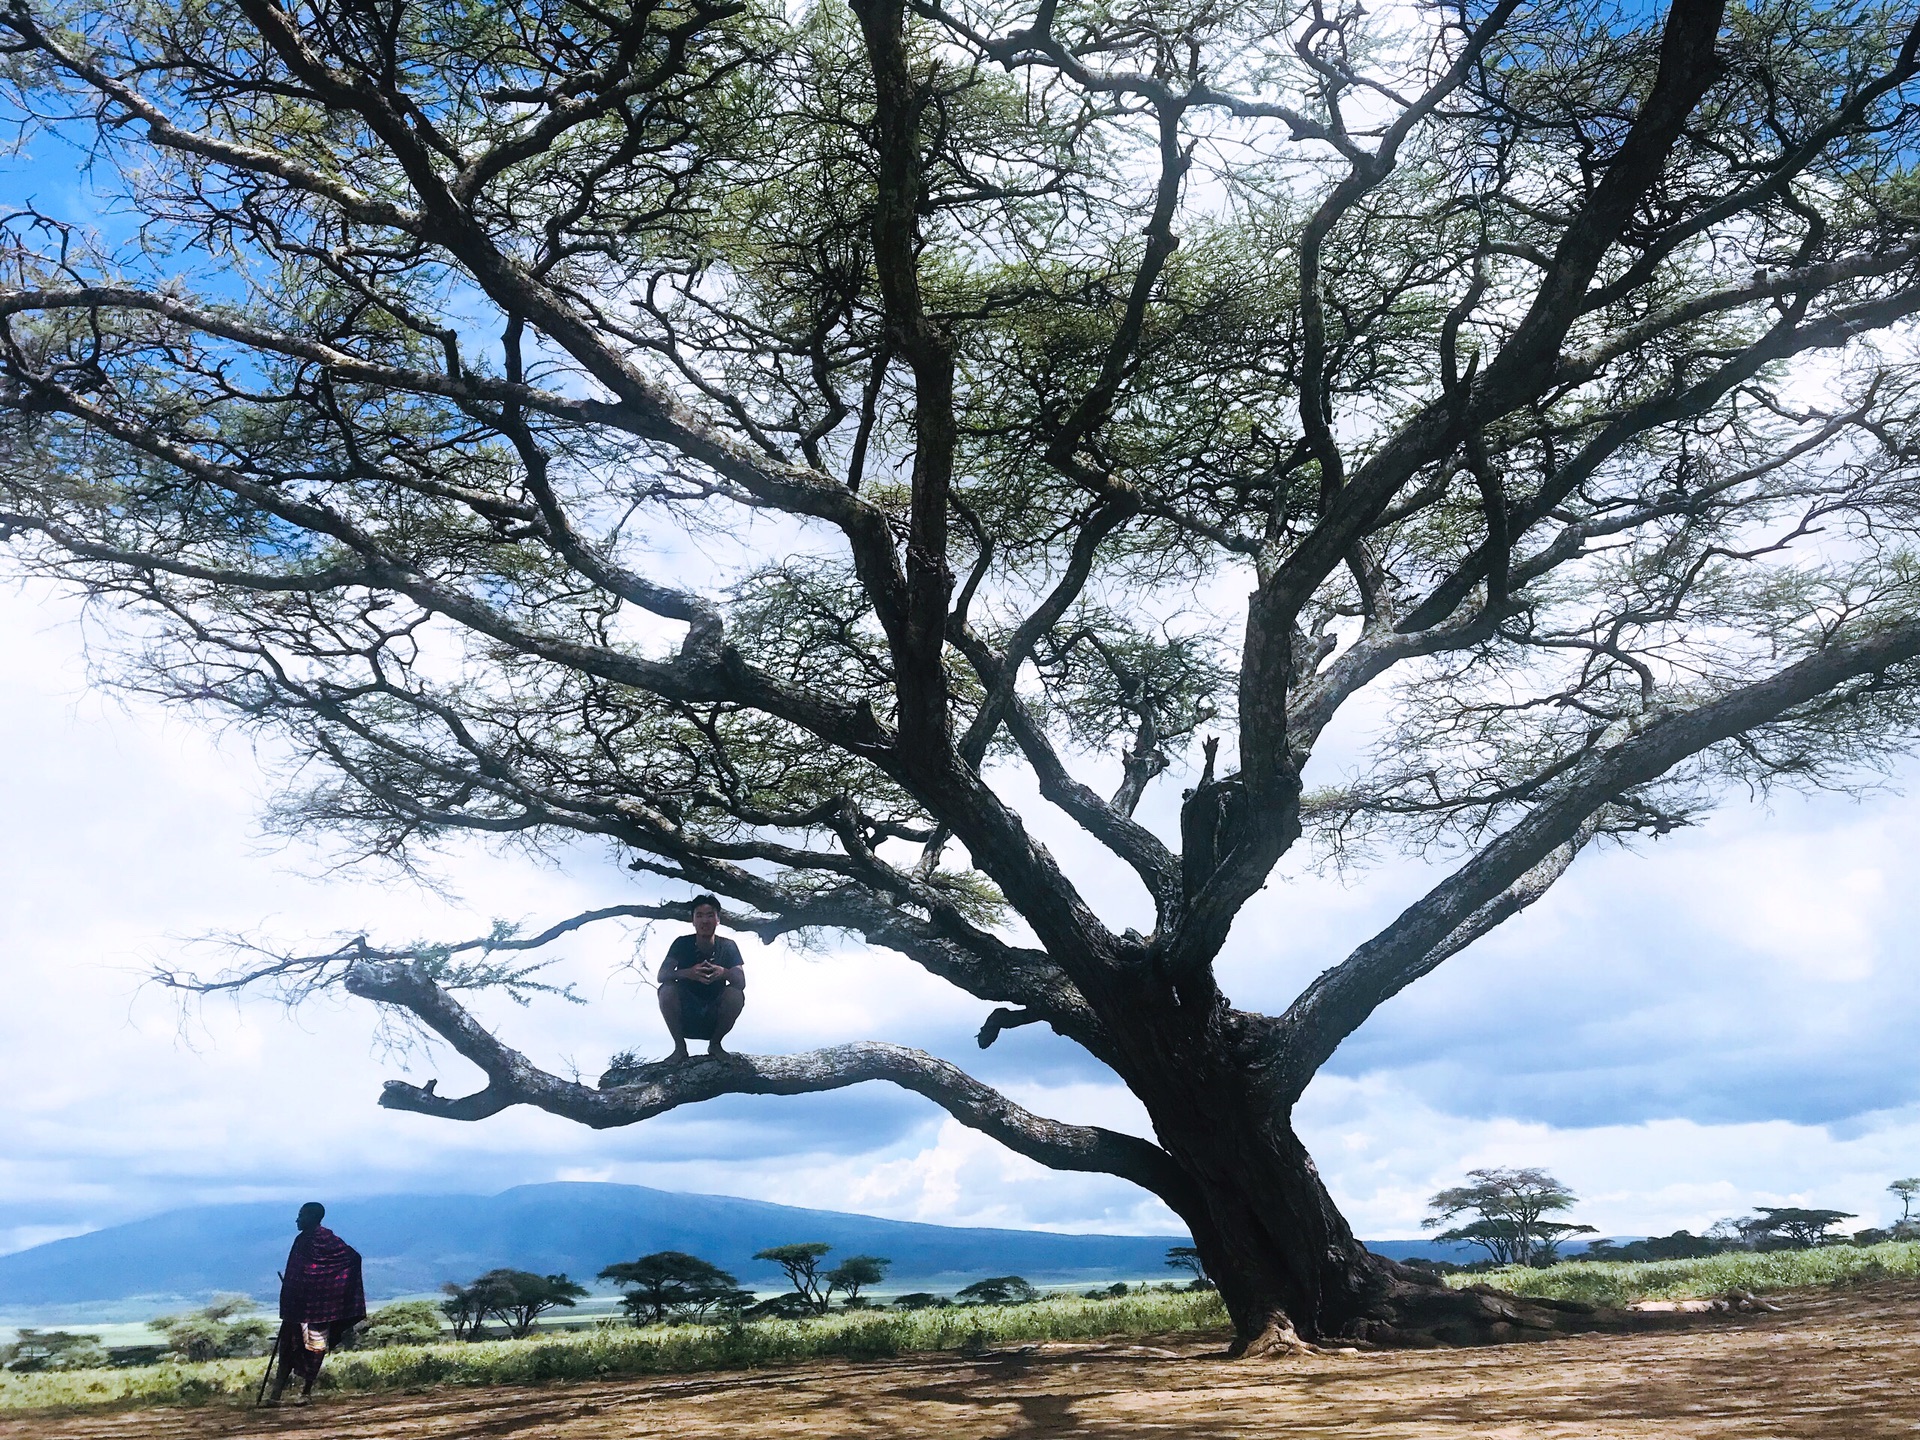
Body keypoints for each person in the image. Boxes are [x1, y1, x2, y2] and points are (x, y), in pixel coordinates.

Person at [269, 1202, 366, 1405]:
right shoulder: (301, 1241)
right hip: (297, 1307)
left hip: (318, 1309)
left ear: (314, 1217)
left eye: (301, 1215)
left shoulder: (327, 1240)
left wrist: (325, 1290)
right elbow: (297, 1273)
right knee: (288, 1348)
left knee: (314, 1349)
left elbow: (352, 1258)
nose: (297, 1220)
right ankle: (275, 1395)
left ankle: (305, 1393)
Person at [657, 894, 745, 1060]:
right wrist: (688, 973)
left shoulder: (728, 946)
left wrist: (723, 973)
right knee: (666, 989)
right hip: (686, 1015)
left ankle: (715, 1045)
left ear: (718, 920)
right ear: (693, 920)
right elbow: (662, 975)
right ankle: (679, 1048)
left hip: (714, 1016)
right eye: (699, 916)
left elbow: (741, 981)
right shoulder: (681, 943)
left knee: (735, 993)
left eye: (710, 915)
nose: (705, 921)